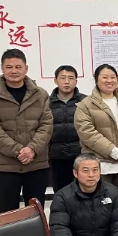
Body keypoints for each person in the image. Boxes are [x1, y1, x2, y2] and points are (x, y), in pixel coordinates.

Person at [0, 49, 53, 213]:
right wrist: (18, 150)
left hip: (36, 162)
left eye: (18, 67)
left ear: (26, 68)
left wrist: (32, 149)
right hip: (5, 164)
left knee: (35, 212)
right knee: (7, 214)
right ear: (2, 68)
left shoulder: (40, 94)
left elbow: (47, 125)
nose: (14, 71)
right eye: (9, 67)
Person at [74, 64, 118, 218]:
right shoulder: (86, 104)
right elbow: (86, 132)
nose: (109, 80)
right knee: (101, 206)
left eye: (113, 77)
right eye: (105, 77)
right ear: (96, 80)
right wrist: (111, 150)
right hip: (100, 163)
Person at [49, 65, 86, 193]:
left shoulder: (85, 101)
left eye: (70, 78)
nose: (66, 82)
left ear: (76, 81)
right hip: (57, 157)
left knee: (83, 192)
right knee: (61, 193)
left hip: (81, 155)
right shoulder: (47, 103)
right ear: (55, 80)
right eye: (63, 78)